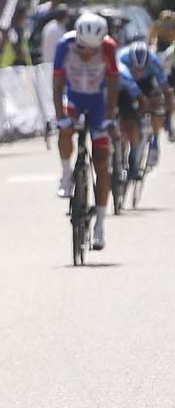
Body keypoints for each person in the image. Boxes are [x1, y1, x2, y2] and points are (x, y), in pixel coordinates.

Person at [53, 13, 119, 249]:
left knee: (102, 163)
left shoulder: (109, 48)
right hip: (74, 97)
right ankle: (66, 173)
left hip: (98, 103)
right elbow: (57, 82)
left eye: (92, 50)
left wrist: (109, 116)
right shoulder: (64, 45)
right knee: (65, 129)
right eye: (82, 47)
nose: (86, 53)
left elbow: (113, 82)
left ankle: (100, 224)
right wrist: (59, 116)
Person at [117, 40, 174, 173]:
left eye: (142, 69)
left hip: (146, 83)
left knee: (156, 103)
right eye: (136, 69)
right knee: (126, 115)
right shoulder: (122, 58)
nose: (139, 71)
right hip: (124, 82)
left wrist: (167, 113)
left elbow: (165, 88)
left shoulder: (154, 62)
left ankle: (154, 139)